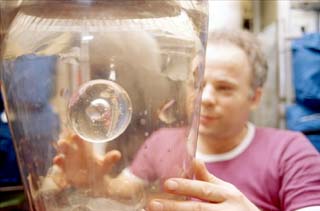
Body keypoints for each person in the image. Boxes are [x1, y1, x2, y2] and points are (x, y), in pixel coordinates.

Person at [48, 29, 320, 211]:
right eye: (197, 83)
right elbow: (128, 190)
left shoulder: (290, 152)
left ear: (255, 97)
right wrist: (96, 181)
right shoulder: (162, 142)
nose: (205, 98)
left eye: (224, 88)